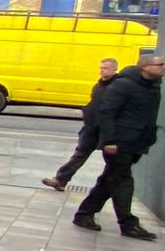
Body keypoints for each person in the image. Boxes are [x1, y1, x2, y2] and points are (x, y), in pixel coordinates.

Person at [74, 51, 165, 241]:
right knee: (123, 181)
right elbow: (106, 113)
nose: (164, 68)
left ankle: (84, 214)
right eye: (159, 65)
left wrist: (148, 138)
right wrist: (109, 141)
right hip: (118, 143)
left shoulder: (153, 85)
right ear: (145, 67)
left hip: (136, 142)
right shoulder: (123, 85)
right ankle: (128, 224)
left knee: (110, 180)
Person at [43, 58, 120, 192]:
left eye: (106, 68)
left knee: (113, 161)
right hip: (91, 128)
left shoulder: (117, 87)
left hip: (107, 130)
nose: (102, 70)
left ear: (114, 69)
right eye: (101, 68)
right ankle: (60, 180)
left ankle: (112, 187)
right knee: (80, 154)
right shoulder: (99, 85)